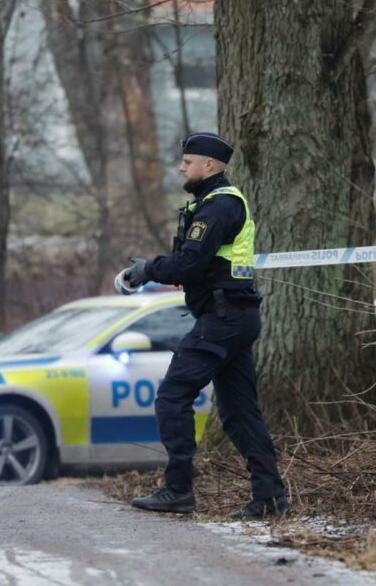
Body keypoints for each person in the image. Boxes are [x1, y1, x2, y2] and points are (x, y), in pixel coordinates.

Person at [120, 132, 290, 518]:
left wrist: (148, 269)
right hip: (231, 315)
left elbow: (191, 264)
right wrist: (163, 269)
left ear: (208, 166)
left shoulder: (219, 206)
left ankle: (178, 490)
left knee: (172, 396)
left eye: (187, 162)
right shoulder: (214, 204)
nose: (181, 167)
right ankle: (269, 497)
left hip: (223, 318)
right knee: (239, 413)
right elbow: (200, 265)